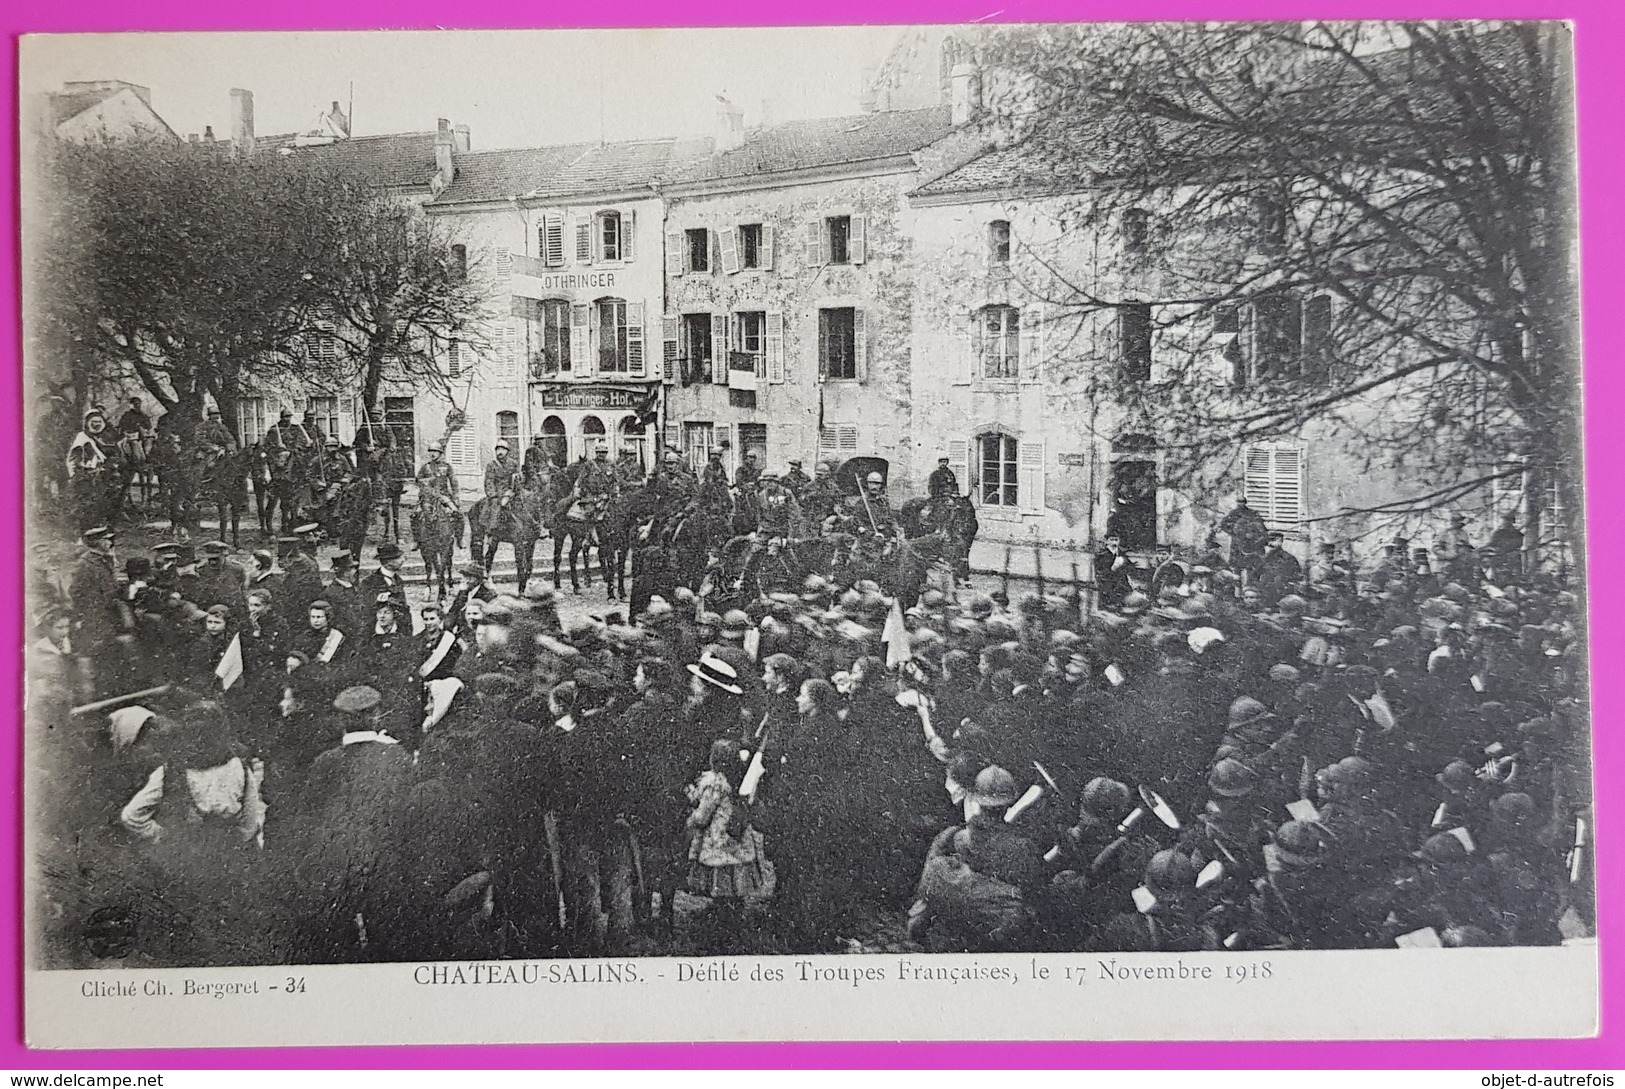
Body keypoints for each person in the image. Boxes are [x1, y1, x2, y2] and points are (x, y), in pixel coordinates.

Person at [359, 542, 412, 632]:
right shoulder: (369, 582)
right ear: (388, 562)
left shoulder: (398, 580)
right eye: (399, 558)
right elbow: (366, 611)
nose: (403, 560)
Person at [1219, 496, 1270, 580]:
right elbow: (1223, 525)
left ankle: (1251, 586)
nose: (1240, 504)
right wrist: (1233, 533)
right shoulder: (1233, 513)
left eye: (1242, 502)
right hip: (1237, 543)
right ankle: (1237, 588)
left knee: (1252, 566)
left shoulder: (1252, 513)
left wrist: (1252, 535)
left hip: (1251, 544)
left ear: (1245, 503)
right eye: (1239, 502)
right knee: (1236, 567)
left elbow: (1261, 527)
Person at [481, 440, 521, 535]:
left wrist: (515, 489)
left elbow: (517, 478)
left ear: (507, 451)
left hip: (510, 490)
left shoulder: (513, 463)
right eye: (498, 449)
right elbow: (489, 482)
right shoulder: (491, 465)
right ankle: (492, 530)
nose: (500, 452)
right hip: (497, 492)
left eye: (503, 449)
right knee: (496, 505)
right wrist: (493, 495)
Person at [1093, 533, 1135, 612]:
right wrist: (1113, 568)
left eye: (1116, 540)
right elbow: (1099, 573)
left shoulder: (1122, 554)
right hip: (1107, 586)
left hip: (1121, 585)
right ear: (1106, 541)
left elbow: (1130, 568)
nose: (1114, 543)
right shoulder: (1101, 555)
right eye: (1111, 540)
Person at [416, 442, 458, 508]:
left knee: (454, 510)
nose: (432, 454)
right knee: (418, 513)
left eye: (435, 451)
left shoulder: (447, 467)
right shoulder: (425, 467)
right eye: (431, 451)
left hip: (443, 494)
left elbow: (453, 482)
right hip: (428, 497)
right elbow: (418, 480)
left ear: (440, 453)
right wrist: (428, 481)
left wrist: (455, 496)